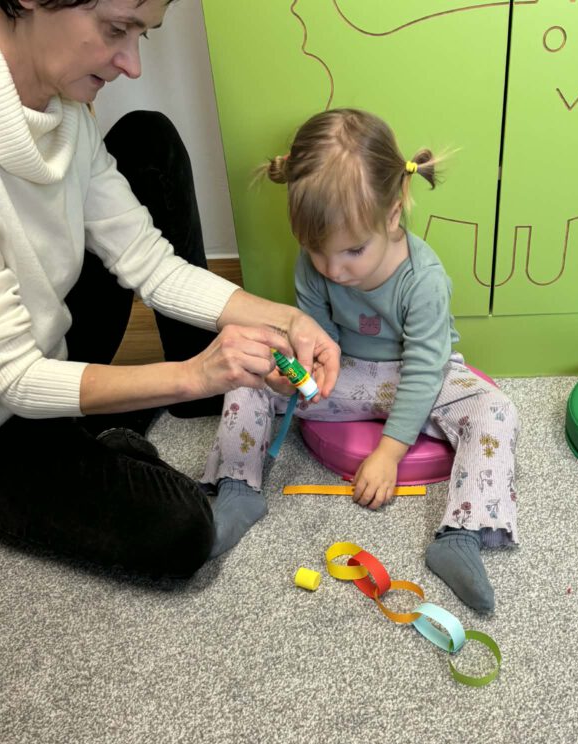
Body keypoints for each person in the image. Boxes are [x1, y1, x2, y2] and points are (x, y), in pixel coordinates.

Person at [0, 0, 340, 578]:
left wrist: (287, 320)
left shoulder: (66, 108)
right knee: (183, 530)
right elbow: (14, 379)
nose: (132, 64)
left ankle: (162, 404)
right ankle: (116, 423)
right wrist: (193, 372)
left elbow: (151, 263)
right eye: (116, 29)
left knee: (150, 140)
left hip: (45, 346)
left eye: (143, 35)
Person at [202, 108, 519, 613]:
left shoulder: (423, 279)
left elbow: (425, 368)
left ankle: (461, 533)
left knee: (496, 409)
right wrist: (298, 372)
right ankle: (238, 486)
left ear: (392, 215)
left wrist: (389, 452)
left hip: (419, 375)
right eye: (317, 250)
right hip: (345, 373)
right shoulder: (315, 265)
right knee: (248, 368)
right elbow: (317, 335)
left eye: (352, 251)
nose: (333, 269)